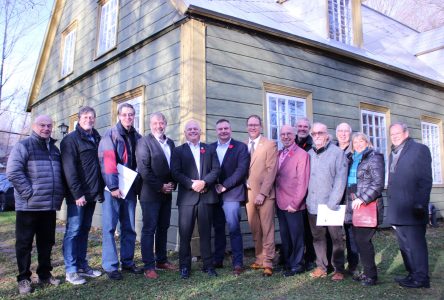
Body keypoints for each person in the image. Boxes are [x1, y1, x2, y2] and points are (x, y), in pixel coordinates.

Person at [6, 115, 64, 295]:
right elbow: (13, 172)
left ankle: (45, 274)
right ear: (34, 126)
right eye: (42, 125)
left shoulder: (54, 150)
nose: (46, 128)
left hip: (48, 206)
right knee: (24, 244)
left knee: (46, 243)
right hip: (28, 206)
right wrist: (29, 194)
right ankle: (24, 278)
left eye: (49, 125)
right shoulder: (23, 146)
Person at [98, 103, 143, 280]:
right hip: (113, 189)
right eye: (124, 114)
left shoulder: (138, 137)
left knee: (129, 227)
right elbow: (108, 161)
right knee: (109, 227)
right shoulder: (111, 135)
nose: (128, 117)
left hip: (130, 188)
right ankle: (110, 266)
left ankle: (128, 261)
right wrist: (114, 186)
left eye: (131, 114)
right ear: (119, 116)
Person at [171, 119, 220, 279]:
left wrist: (204, 182)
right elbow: (175, 172)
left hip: (206, 197)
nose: (193, 131)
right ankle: (185, 267)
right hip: (187, 198)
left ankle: (208, 265)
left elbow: (216, 170)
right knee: (185, 234)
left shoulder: (209, 149)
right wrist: (192, 184)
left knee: (206, 233)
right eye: (189, 129)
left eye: (195, 129)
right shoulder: (178, 151)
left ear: (200, 132)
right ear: (185, 133)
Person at [61, 106, 104, 285]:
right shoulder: (70, 140)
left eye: (91, 117)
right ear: (79, 119)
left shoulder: (97, 138)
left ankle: (81, 265)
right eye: (85, 117)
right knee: (73, 231)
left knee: (84, 230)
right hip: (77, 196)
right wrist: (77, 194)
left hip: (92, 194)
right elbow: (69, 170)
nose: (89, 120)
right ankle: (70, 270)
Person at [387, 122, 432, 288]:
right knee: (404, 245)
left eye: (397, 133)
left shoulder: (419, 149)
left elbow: (426, 180)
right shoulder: (393, 152)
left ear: (406, 132)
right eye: (392, 134)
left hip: (413, 208)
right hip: (398, 209)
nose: (395, 136)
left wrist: (420, 203)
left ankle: (421, 278)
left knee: (416, 245)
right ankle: (411, 273)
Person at [136, 112, 177, 280]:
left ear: (165, 124)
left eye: (161, 123)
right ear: (150, 124)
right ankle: (148, 265)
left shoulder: (171, 143)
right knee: (149, 229)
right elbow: (144, 169)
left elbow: (175, 167)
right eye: (155, 123)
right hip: (150, 194)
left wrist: (173, 183)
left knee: (163, 227)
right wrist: (160, 186)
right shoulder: (144, 142)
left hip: (167, 193)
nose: (158, 126)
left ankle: (161, 260)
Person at [306, 122, 348, 281]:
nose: (317, 136)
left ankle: (338, 268)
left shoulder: (337, 153)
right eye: (314, 133)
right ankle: (322, 266)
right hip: (312, 203)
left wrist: (333, 202)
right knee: (317, 237)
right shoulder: (309, 153)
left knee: (336, 238)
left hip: (331, 204)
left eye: (320, 133)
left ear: (327, 134)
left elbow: (340, 179)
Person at [344, 133, 385, 286]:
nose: (358, 144)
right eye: (355, 141)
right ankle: (366, 272)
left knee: (363, 240)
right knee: (358, 241)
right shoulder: (352, 158)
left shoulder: (374, 157)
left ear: (367, 142)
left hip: (367, 205)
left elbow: (378, 183)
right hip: (353, 205)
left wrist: (362, 199)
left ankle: (371, 276)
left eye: (361, 141)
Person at [211, 119, 250, 276]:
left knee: (234, 229)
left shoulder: (240, 147)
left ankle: (238, 263)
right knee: (218, 227)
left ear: (231, 129)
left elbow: (241, 171)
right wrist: (213, 186)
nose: (223, 131)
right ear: (216, 131)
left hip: (232, 193)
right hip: (214, 193)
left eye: (226, 128)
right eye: (220, 129)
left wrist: (224, 186)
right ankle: (218, 259)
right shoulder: (210, 147)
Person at [245, 115, 278, 276]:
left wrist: (263, 193)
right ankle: (259, 258)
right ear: (247, 127)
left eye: (255, 125)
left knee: (267, 228)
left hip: (265, 194)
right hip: (248, 194)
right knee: (255, 227)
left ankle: (269, 262)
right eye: (250, 125)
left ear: (261, 126)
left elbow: (272, 170)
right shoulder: (244, 145)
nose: (253, 127)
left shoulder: (269, 144)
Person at [275, 125, 310, 277]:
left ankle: (297, 264)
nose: (286, 136)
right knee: (285, 236)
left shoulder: (302, 155)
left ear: (295, 135)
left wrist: (295, 203)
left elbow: (303, 182)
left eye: (289, 133)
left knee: (296, 236)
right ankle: (288, 263)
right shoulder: (279, 153)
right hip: (280, 202)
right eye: (283, 134)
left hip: (294, 204)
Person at [335, 122, 359, 275]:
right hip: (334, 197)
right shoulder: (331, 149)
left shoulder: (356, 150)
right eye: (340, 131)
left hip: (350, 197)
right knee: (334, 234)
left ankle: (353, 265)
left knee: (351, 234)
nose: (343, 134)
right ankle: (336, 266)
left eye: (346, 131)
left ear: (350, 134)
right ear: (336, 133)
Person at [294, 117, 317, 271]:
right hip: (293, 192)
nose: (302, 128)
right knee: (297, 228)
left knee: (309, 229)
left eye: (305, 126)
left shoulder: (313, 145)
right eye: (300, 126)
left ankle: (310, 258)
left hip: (309, 191)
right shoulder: (291, 142)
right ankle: (295, 257)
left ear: (309, 129)